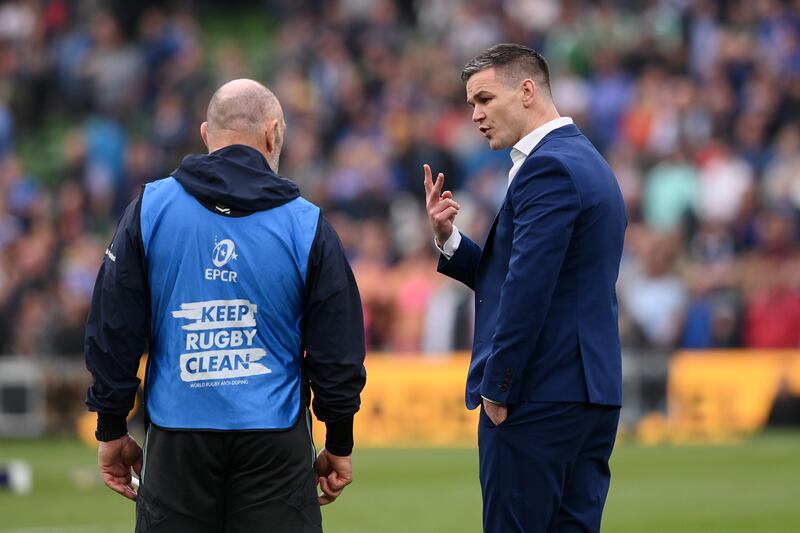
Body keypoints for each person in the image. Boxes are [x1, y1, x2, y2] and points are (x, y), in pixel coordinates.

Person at [85, 79, 366, 532]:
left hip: (178, 434)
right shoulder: (306, 223)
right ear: (273, 134)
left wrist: (111, 427)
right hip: (274, 437)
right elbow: (339, 347)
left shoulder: (150, 208)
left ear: (205, 134)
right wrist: (339, 440)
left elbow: (113, 328)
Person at [424, 44, 627, 532]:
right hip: (588, 393)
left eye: (485, 99)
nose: (475, 115)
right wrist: (450, 241)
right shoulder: (587, 159)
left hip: (538, 393)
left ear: (527, 90)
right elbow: (533, 277)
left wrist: (499, 385)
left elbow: (527, 289)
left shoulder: (547, 167)